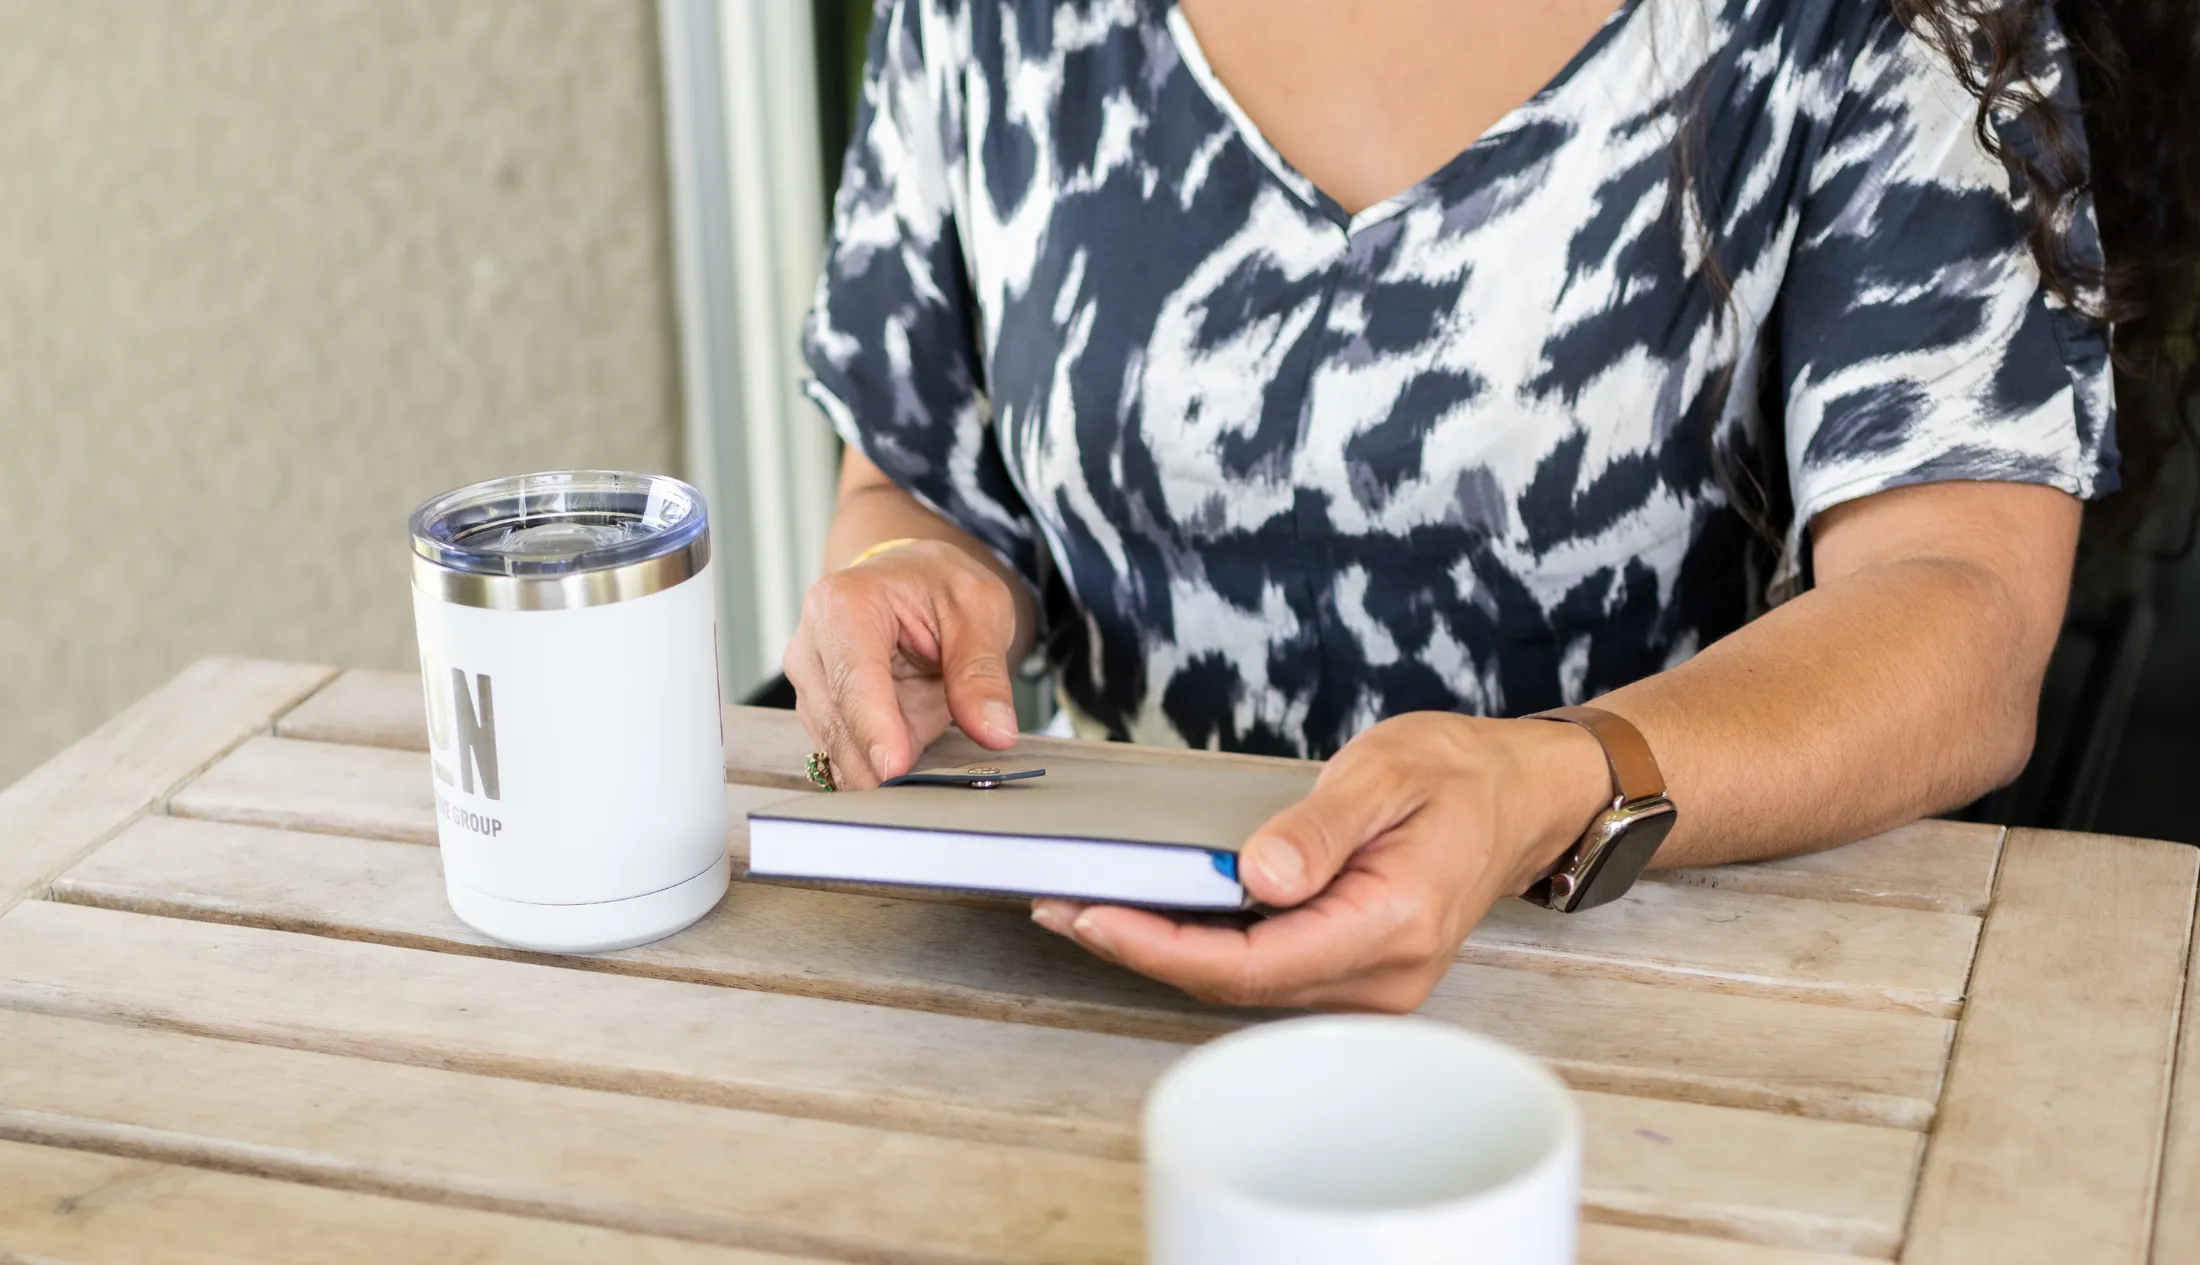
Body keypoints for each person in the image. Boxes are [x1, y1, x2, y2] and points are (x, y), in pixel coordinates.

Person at [785, 0, 2200, 1011]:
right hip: (1087, 985)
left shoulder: (1878, 27)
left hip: (1648, 998)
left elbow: (1962, 606)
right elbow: (913, 468)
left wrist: (1548, 789)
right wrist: (919, 567)